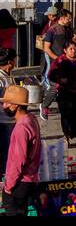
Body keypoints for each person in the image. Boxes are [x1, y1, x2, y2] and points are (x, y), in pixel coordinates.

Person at [2, 85, 41, 217]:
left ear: (16, 106)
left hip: (20, 183)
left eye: (7, 103)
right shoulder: (31, 119)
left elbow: (17, 161)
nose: (3, 106)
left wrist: (8, 187)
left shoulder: (21, 128)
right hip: (30, 180)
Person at [48, 47, 76, 146]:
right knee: (66, 115)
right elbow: (51, 75)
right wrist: (60, 80)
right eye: (71, 49)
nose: (73, 51)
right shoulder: (60, 61)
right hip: (65, 92)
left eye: (75, 49)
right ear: (65, 50)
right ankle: (66, 137)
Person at [0, 48, 16, 171]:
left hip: (10, 120)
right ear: (10, 62)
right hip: (3, 121)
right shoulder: (0, 78)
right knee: (5, 153)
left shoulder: (8, 76)